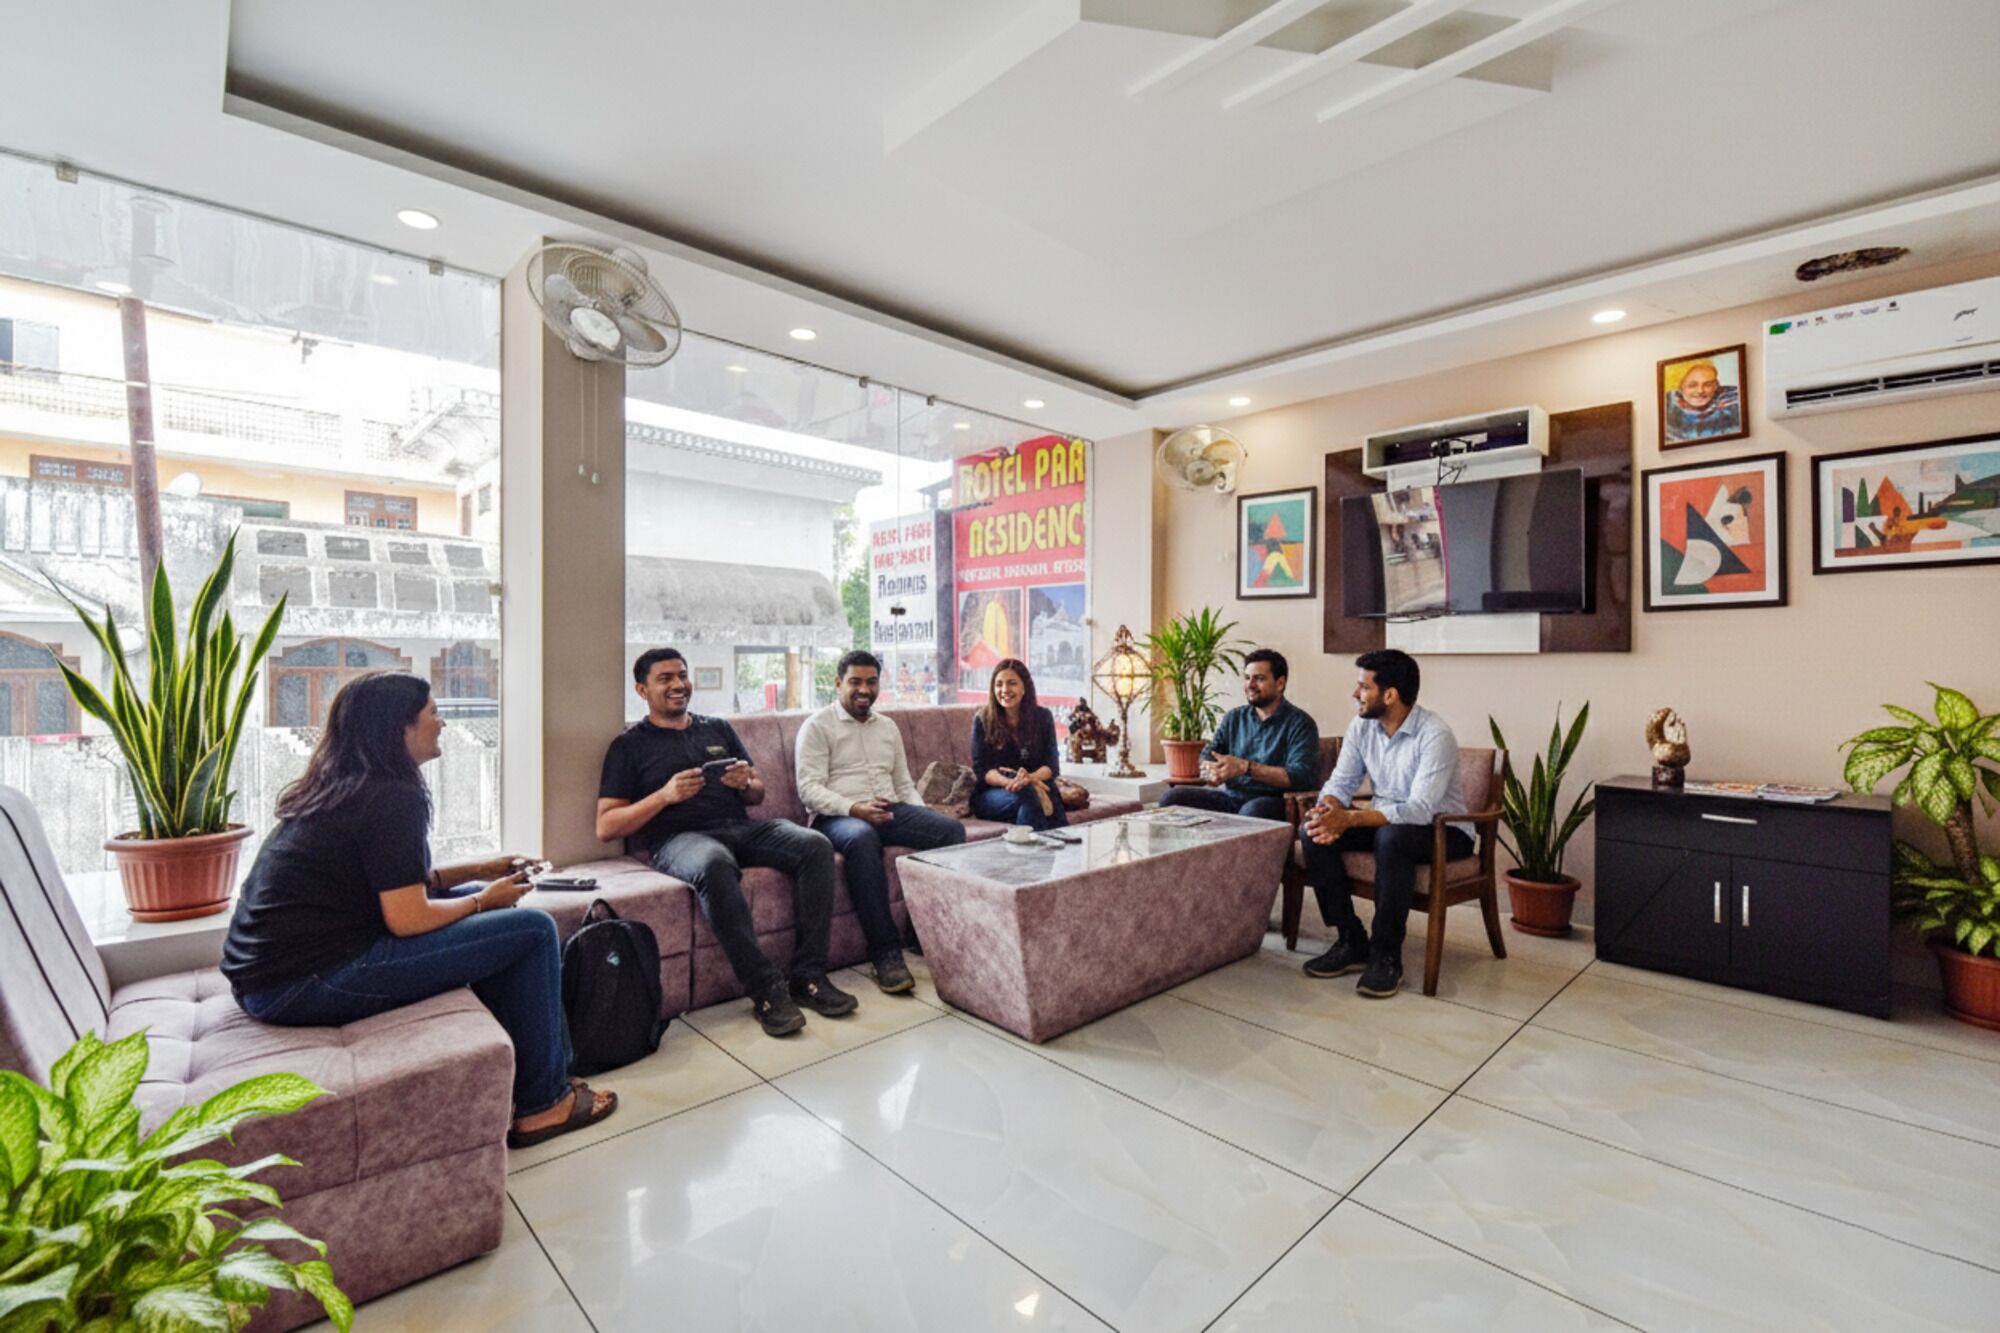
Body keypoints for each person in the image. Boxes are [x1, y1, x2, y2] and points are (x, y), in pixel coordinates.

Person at [223, 672, 617, 1150]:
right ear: (399, 728)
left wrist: (482, 871)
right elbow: (406, 918)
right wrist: (482, 900)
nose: (443, 723)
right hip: (303, 984)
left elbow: (394, 884)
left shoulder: (348, 785)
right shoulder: (393, 797)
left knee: (486, 902)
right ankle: (542, 1105)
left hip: (272, 980)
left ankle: (538, 1073)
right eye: (433, 713)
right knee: (532, 928)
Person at [597, 648, 851, 1038]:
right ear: (642, 690)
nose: (679, 685)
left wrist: (746, 783)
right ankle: (766, 989)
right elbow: (607, 825)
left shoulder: (716, 728)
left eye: (682, 675)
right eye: (665, 678)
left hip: (740, 826)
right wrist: (664, 796)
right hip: (678, 839)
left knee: (814, 845)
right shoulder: (629, 746)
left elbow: (758, 793)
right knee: (715, 863)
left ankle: (809, 975)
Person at [1298, 649, 1470, 999]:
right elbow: (1341, 783)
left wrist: (1350, 818)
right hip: (1386, 822)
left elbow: (1420, 809)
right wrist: (1328, 810)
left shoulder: (1435, 735)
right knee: (1312, 834)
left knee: (1392, 839)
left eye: (1363, 686)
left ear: (1389, 695)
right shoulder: (1362, 726)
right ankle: (1351, 939)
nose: (1354, 693)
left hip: (1444, 830)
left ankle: (1386, 955)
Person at [794, 650, 965, 994]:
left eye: (871, 682)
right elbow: (808, 790)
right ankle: (885, 953)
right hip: (838, 817)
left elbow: (903, 783)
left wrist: (921, 814)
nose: (864, 689)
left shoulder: (887, 727)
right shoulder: (817, 727)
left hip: (890, 809)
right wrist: (855, 808)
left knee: (950, 831)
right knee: (862, 839)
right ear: (838, 683)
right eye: (855, 681)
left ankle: (923, 933)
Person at [1157, 648, 1320, 821]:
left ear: (1280, 683)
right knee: (1172, 798)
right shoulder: (1234, 717)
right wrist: (1210, 772)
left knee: (1252, 811)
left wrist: (1245, 768)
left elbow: (1300, 776)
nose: (1250, 685)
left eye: (1259, 678)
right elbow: (1209, 754)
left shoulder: (1301, 723)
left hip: (1273, 801)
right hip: (1231, 797)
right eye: (1247, 678)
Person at [969, 658, 1067, 831]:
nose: (1005, 690)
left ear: (1024, 688)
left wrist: (1029, 779)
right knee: (1032, 795)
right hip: (991, 795)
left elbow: (1051, 766)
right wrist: (1015, 782)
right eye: (999, 685)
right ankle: (1063, 846)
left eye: (1012, 683)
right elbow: (983, 771)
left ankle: (1031, 854)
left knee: (1033, 799)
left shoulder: (1043, 717)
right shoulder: (983, 720)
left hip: (1031, 788)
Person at [1663, 358, 1742, 443]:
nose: (1700, 391)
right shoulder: (1666, 405)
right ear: (1679, 386)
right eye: (1692, 385)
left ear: (1716, 386)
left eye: (1707, 384)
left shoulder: (1734, 399)